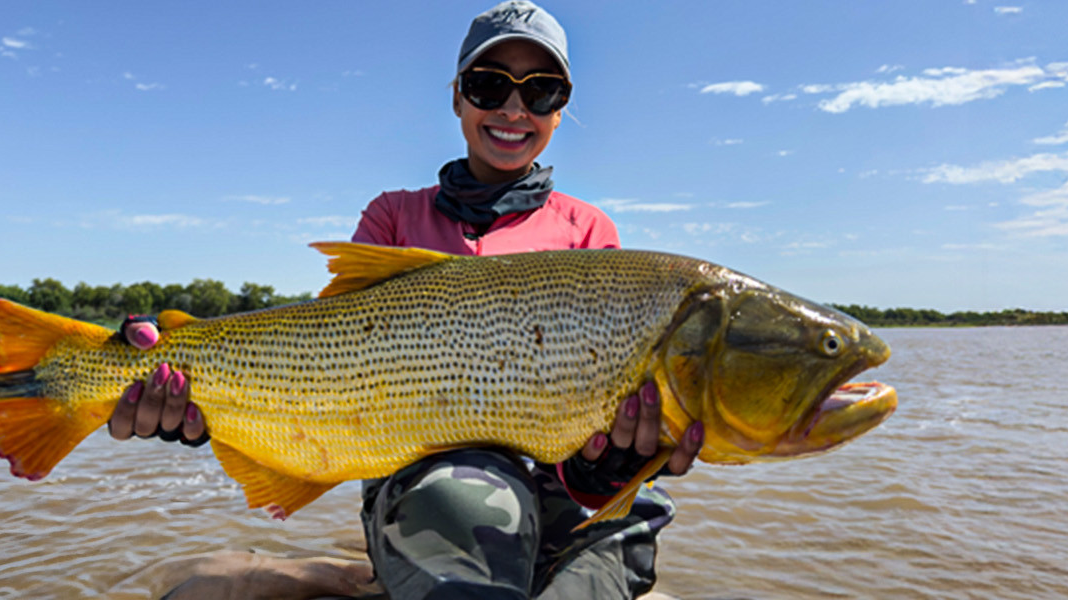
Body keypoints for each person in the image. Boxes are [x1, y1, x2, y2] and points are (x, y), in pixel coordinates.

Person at [108, 3, 704, 598]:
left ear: (560, 108)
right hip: (431, 486)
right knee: (463, 505)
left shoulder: (589, 232)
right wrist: (176, 369)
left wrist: (616, 461)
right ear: (457, 97)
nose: (513, 108)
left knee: (620, 536)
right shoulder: (393, 215)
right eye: (488, 85)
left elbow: (600, 434)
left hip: (561, 490)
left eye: (541, 90)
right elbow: (319, 354)